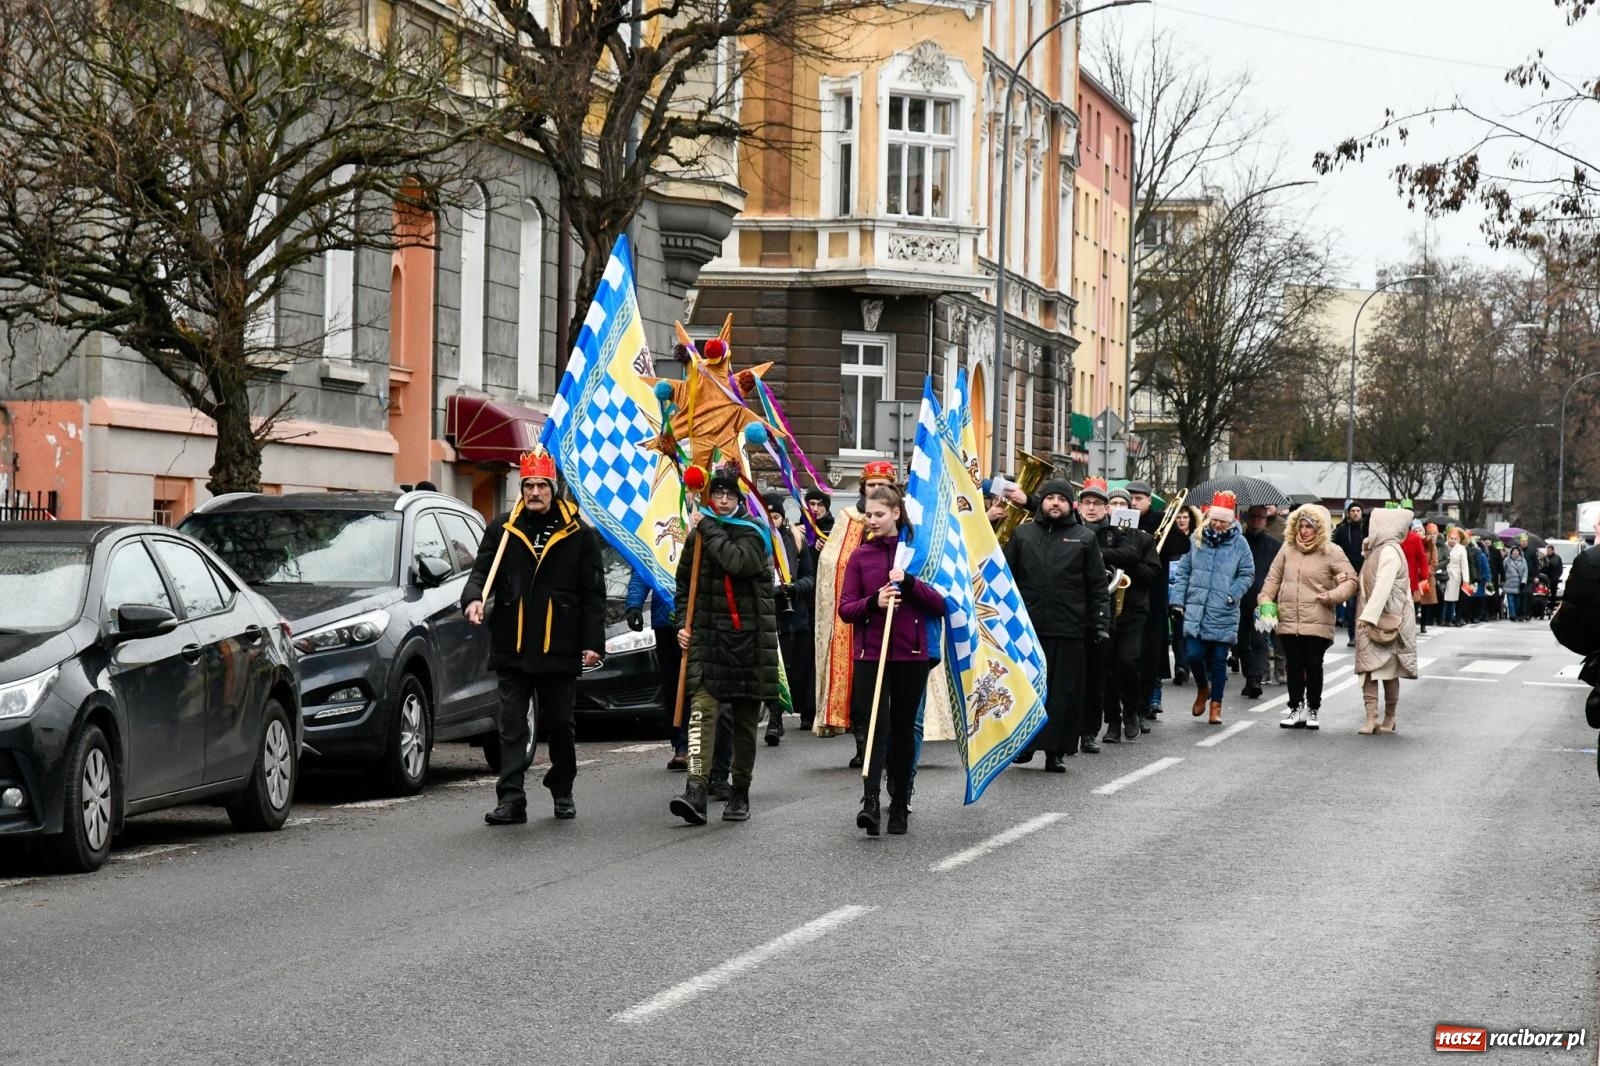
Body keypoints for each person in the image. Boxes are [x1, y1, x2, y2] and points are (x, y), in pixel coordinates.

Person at [462, 450, 605, 825]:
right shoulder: (503, 528)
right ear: (521, 488)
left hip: (559, 644)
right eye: (529, 485)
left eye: (542, 485)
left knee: (560, 725)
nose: (535, 492)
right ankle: (512, 799)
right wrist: (474, 599)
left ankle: (562, 788)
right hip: (513, 642)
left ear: (553, 489)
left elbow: (593, 595)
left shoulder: (579, 533)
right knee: (511, 725)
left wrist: (592, 643)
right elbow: (480, 572)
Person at [669, 467, 781, 825]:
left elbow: (736, 561)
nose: (723, 500)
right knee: (701, 712)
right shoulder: (698, 536)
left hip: (748, 642)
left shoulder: (754, 533)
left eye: (730, 495)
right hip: (708, 639)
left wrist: (707, 525)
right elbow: (684, 586)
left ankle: (740, 791)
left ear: (739, 499)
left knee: (745, 723)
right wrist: (681, 626)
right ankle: (696, 790)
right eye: (717, 495)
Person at [837, 485, 946, 836]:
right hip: (871, 652)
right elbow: (845, 608)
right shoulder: (860, 556)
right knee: (874, 726)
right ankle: (870, 800)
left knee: (902, 729)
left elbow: (940, 604)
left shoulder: (917, 552)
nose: (872, 521)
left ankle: (900, 799)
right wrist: (875, 602)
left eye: (879, 515)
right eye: (868, 515)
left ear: (896, 513)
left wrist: (910, 583)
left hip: (910, 654)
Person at [1004, 479, 1109, 768]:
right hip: (1027, 628)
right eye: (1050, 498)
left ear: (1069, 505)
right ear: (1043, 502)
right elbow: (1007, 579)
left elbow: (1097, 585)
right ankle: (1024, 744)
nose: (1055, 503)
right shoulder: (1022, 534)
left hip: (1069, 627)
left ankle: (1056, 751)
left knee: (1062, 693)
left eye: (1061, 499)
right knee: (1026, 690)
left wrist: (1101, 621)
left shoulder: (1084, 538)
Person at [815, 461, 897, 762]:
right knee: (859, 682)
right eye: (871, 484)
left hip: (890, 609)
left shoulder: (899, 521)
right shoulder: (849, 517)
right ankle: (863, 743)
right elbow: (831, 561)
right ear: (863, 487)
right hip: (857, 608)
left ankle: (889, 744)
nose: (876, 489)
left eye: (883, 484)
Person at [1258, 505, 1358, 730]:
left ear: (1319, 529)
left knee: (1313, 665)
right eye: (1300, 526)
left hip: (1317, 617)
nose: (1304, 531)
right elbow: (1273, 578)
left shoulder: (1332, 551)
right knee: (1293, 666)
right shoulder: (1287, 549)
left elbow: (1352, 581)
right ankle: (1295, 708)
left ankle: (1313, 708)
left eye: (1309, 527)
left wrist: (1332, 596)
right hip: (1289, 617)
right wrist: (1265, 601)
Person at [1171, 491, 1254, 725]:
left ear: (1231, 521)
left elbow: (1247, 573)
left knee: (1219, 659)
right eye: (1214, 519)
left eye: (1223, 521)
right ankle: (1202, 688)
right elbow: (1184, 571)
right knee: (1193, 654)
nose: (1218, 524)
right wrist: (1178, 601)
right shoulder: (1197, 539)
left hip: (1223, 609)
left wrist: (1232, 594)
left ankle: (1216, 705)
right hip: (1196, 607)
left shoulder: (1240, 543)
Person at [1088, 483, 1162, 741]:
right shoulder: (1098, 535)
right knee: (1107, 667)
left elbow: (1153, 574)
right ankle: (1113, 721)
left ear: (1131, 509)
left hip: (1134, 609)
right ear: (1107, 509)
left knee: (1128, 661)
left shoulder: (1143, 539)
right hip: (1105, 609)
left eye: (1124, 505)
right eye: (1114, 504)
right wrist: (1118, 557)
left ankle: (1132, 710)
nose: (1119, 509)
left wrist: (1131, 564)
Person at [1354, 506, 1420, 734]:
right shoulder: (1377, 550)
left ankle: (1389, 716)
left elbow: (1382, 586)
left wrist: (1368, 616)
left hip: (1388, 620)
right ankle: (1371, 716)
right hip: (1373, 618)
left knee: (1388, 670)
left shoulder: (1390, 552)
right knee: (1368, 669)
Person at [762, 493, 816, 746]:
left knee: (797, 669)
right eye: (768, 515)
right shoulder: (757, 540)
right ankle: (775, 719)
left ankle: (798, 707)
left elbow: (809, 575)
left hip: (795, 616)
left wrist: (795, 587)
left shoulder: (795, 539)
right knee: (774, 670)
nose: (772, 520)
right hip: (768, 616)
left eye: (776, 516)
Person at [625, 566, 684, 769]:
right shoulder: (657, 533)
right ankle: (681, 747)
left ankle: (704, 747)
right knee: (673, 686)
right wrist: (634, 604)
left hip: (701, 619)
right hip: (667, 622)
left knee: (701, 687)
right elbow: (644, 565)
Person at [1238, 504, 1282, 699]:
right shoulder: (1238, 542)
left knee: (1261, 641)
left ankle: (1255, 679)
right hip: (1240, 598)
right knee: (1241, 643)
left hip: (1267, 601)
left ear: (1266, 520)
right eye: (1254, 517)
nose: (1257, 520)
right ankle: (1250, 677)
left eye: (1261, 517)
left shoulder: (1275, 545)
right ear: (1247, 518)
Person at [1164, 505, 1201, 686]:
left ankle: (1183, 666)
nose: (1181, 520)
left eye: (1184, 517)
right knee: (1172, 629)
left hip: (1188, 590)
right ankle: (1177, 666)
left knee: (1183, 629)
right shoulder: (1167, 538)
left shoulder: (1196, 540)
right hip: (1168, 587)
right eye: (1178, 517)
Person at [1331, 502, 1366, 646]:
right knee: (1351, 606)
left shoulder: (1367, 530)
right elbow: (1334, 549)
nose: (1356, 513)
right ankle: (1352, 636)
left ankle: (1363, 635)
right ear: (1348, 513)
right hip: (1348, 572)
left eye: (1358, 510)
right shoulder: (1342, 530)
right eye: (1353, 511)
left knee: (1364, 606)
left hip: (1365, 571)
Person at [1401, 519, 1431, 634]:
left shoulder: (1414, 539)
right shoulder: (1393, 538)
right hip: (1395, 576)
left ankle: (1411, 625)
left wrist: (1424, 575)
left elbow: (1422, 558)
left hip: (1412, 577)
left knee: (1415, 602)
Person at [1443, 528, 1468, 626]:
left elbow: (1464, 565)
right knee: (1443, 597)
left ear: (1458, 539)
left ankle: (1449, 618)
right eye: (1451, 538)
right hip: (1444, 573)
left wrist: (1466, 580)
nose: (1453, 540)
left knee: (1452, 598)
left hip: (1455, 575)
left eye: (1455, 539)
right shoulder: (1443, 546)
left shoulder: (1461, 549)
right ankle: (1443, 618)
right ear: (1448, 538)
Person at [1503, 545, 1529, 621]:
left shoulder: (1523, 561)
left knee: (1517, 601)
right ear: (1511, 553)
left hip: (1518, 584)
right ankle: (1512, 614)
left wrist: (1523, 582)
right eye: (1513, 551)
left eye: (1516, 551)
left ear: (1519, 553)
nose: (1515, 553)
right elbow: (1503, 570)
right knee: (1510, 600)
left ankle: (1516, 613)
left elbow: (1525, 572)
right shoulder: (1506, 560)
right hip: (1509, 583)